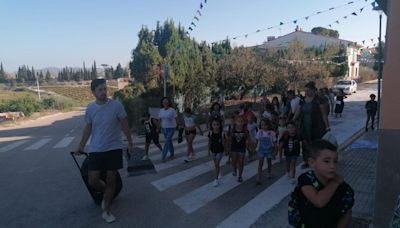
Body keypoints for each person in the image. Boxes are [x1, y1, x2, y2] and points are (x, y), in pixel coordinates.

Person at [75, 78, 134, 223]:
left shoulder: (116, 106)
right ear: (93, 92)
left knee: (111, 179)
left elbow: (125, 124)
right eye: (100, 90)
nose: (103, 92)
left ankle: (106, 209)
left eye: (105, 89)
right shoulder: (90, 108)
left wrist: (130, 142)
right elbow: (88, 128)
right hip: (96, 148)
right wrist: (81, 146)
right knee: (93, 180)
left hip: (114, 148)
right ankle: (108, 193)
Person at [289, 139, 354, 228]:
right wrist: (335, 182)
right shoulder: (306, 179)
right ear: (312, 162)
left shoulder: (343, 187)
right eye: (326, 161)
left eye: (335, 161)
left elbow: (347, 213)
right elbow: (319, 201)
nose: (332, 166)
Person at [293, 81, 330, 169]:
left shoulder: (319, 100)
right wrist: (292, 121)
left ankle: (318, 161)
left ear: (313, 90)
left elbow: (324, 114)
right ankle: (307, 161)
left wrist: (327, 127)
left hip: (317, 125)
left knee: (316, 145)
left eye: (308, 91)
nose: (306, 93)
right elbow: (298, 111)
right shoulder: (303, 101)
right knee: (305, 144)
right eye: (305, 91)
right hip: (304, 125)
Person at [256, 118, 276, 184]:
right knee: (260, 163)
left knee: (269, 162)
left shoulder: (272, 133)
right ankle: (259, 177)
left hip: (269, 149)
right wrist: (255, 149)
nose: (264, 127)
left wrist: (275, 150)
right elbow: (257, 141)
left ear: (268, 125)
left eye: (265, 125)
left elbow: (274, 142)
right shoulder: (259, 132)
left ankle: (269, 172)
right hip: (261, 149)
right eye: (262, 125)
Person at [158, 97, 178, 162]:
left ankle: (163, 156)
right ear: (162, 103)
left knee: (167, 141)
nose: (165, 103)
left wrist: (181, 126)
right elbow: (160, 119)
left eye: (166, 102)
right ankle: (172, 153)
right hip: (164, 128)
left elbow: (176, 118)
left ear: (169, 102)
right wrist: (158, 128)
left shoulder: (172, 110)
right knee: (169, 141)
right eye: (164, 102)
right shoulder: (161, 110)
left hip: (171, 128)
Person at [230, 115, 248, 182]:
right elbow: (230, 140)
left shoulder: (245, 131)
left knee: (241, 162)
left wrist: (250, 147)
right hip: (234, 148)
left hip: (242, 148)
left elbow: (247, 140)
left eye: (241, 121)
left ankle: (240, 176)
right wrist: (228, 149)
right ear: (235, 122)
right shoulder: (233, 130)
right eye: (238, 121)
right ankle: (234, 168)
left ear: (244, 123)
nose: (240, 123)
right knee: (234, 162)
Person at [208, 118, 225, 187]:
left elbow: (224, 143)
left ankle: (216, 179)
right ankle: (219, 172)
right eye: (214, 125)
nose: (215, 126)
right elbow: (209, 142)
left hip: (220, 151)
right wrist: (208, 150)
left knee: (217, 163)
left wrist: (226, 150)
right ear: (211, 125)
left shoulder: (222, 133)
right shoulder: (211, 133)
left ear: (220, 125)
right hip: (213, 151)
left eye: (217, 125)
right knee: (216, 164)